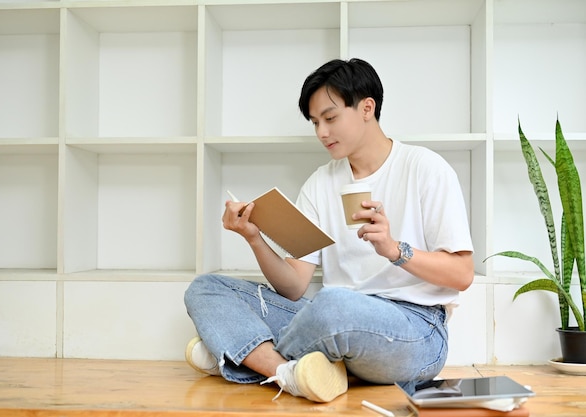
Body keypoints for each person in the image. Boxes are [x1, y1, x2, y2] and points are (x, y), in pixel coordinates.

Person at [184, 58, 474, 403]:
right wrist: (254, 238)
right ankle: (289, 373)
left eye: (330, 118)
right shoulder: (320, 183)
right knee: (207, 287)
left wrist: (396, 250)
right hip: (329, 323)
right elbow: (293, 287)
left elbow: (462, 274)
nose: (322, 132)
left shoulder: (425, 168)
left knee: (334, 304)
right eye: (315, 122)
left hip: (416, 331)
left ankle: (246, 357)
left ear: (367, 107)